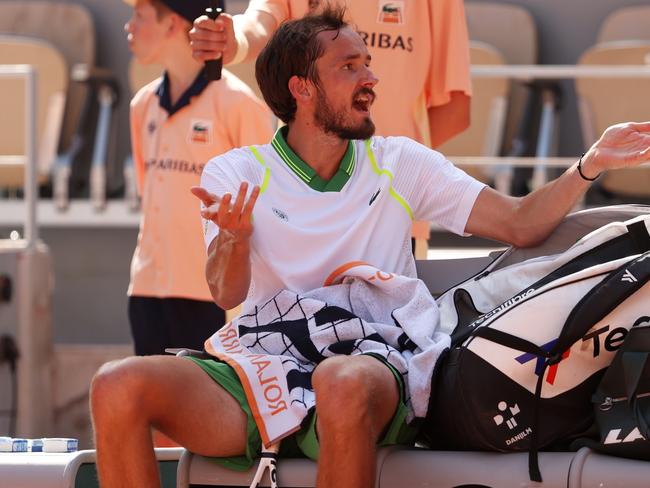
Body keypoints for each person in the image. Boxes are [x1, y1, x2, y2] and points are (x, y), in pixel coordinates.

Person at [91, 7, 650, 487]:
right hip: (265, 366)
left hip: (376, 362)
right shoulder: (234, 171)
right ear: (301, 89)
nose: (370, 79)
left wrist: (588, 165)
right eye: (349, 67)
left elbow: (521, 222)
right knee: (117, 385)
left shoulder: (400, 160)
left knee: (342, 380)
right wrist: (232, 241)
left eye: (368, 64)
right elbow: (225, 290)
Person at [124, 0, 274, 355]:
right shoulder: (142, 104)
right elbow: (150, 196)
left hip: (211, 297)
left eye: (140, 16)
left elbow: (266, 205)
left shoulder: (239, 104)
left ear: (174, 24)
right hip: (146, 289)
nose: (128, 26)